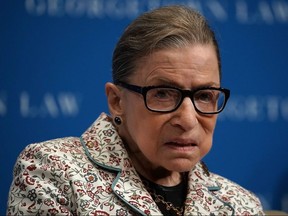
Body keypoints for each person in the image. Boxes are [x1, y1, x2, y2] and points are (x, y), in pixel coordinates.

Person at [7, 5, 264, 216]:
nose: (187, 120)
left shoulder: (242, 205)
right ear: (117, 101)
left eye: (205, 96)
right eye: (162, 93)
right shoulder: (53, 170)